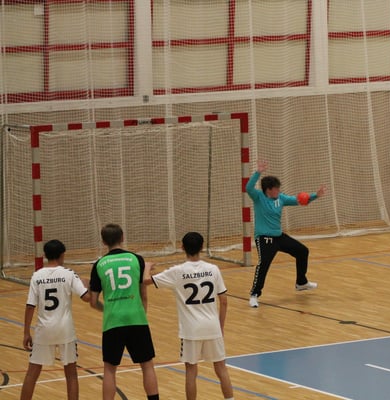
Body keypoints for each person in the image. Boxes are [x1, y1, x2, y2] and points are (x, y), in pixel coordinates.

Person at [143, 232, 234, 400]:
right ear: (202, 247)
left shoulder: (177, 272)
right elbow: (224, 301)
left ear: (182, 247)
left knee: (191, 371)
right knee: (221, 368)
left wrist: (147, 267)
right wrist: (220, 327)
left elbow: (146, 281)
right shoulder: (213, 269)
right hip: (212, 327)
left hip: (191, 330)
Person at [89, 223, 160, 400]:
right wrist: (141, 314)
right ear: (122, 238)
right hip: (137, 318)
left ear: (103, 241)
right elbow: (144, 293)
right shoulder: (137, 259)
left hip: (113, 321)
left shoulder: (99, 264)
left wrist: (108, 310)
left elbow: (93, 301)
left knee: (109, 369)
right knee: (147, 365)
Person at [246, 160, 326, 308]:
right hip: (264, 238)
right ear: (268, 190)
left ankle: (301, 282)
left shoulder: (281, 198)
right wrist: (258, 172)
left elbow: (299, 200)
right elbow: (248, 187)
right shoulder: (258, 197)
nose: (278, 190)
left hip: (279, 236)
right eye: (276, 188)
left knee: (302, 251)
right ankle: (254, 294)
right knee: (264, 264)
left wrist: (316, 195)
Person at [20, 239, 91, 400]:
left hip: (43, 330)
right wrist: (88, 285)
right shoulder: (69, 274)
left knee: (32, 373)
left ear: (45, 255)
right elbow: (86, 298)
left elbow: (30, 306)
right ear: (62, 255)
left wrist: (26, 333)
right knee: (71, 374)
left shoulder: (37, 276)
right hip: (65, 330)